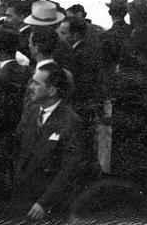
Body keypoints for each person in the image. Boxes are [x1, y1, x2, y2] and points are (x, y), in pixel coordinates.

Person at [13, 64, 87, 220]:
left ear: (52, 91)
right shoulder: (31, 111)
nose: (30, 87)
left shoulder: (71, 122)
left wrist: (44, 203)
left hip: (47, 207)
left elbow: (69, 169)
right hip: (22, 199)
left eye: (36, 83)